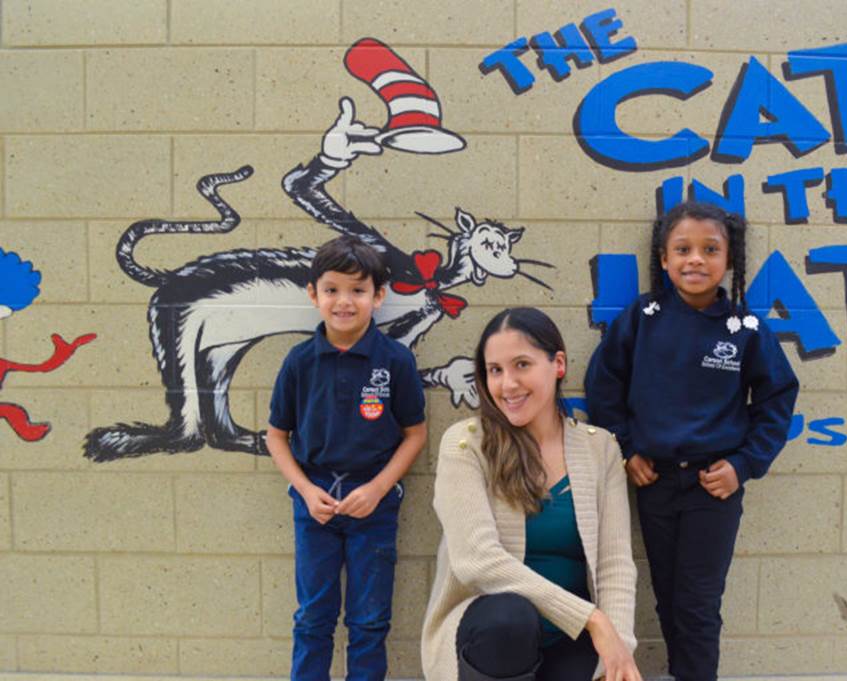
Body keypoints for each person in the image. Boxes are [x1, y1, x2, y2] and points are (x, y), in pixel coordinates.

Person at [585, 201, 799, 681]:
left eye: (710, 250)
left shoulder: (744, 331)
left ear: (729, 260)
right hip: (655, 480)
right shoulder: (643, 317)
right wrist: (626, 448)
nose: (695, 260)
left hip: (713, 487)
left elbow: (776, 399)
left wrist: (743, 465)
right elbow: (604, 384)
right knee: (669, 595)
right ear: (663, 259)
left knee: (699, 602)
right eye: (682, 249)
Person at [422, 307, 640, 681]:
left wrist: (616, 646)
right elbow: (477, 560)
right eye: (495, 370)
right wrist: (591, 618)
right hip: (496, 636)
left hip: (571, 640)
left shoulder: (600, 448)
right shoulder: (466, 444)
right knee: (511, 617)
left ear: (557, 364)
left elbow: (615, 564)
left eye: (522, 364)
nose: (508, 384)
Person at [266, 235, 427, 681]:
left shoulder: (394, 360)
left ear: (379, 296)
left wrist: (376, 489)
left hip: (374, 507)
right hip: (313, 504)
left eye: (358, 290)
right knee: (313, 619)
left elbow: (415, 434)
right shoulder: (299, 362)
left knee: (370, 621)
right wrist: (305, 490)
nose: (344, 301)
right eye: (332, 290)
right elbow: (276, 436)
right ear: (313, 294)